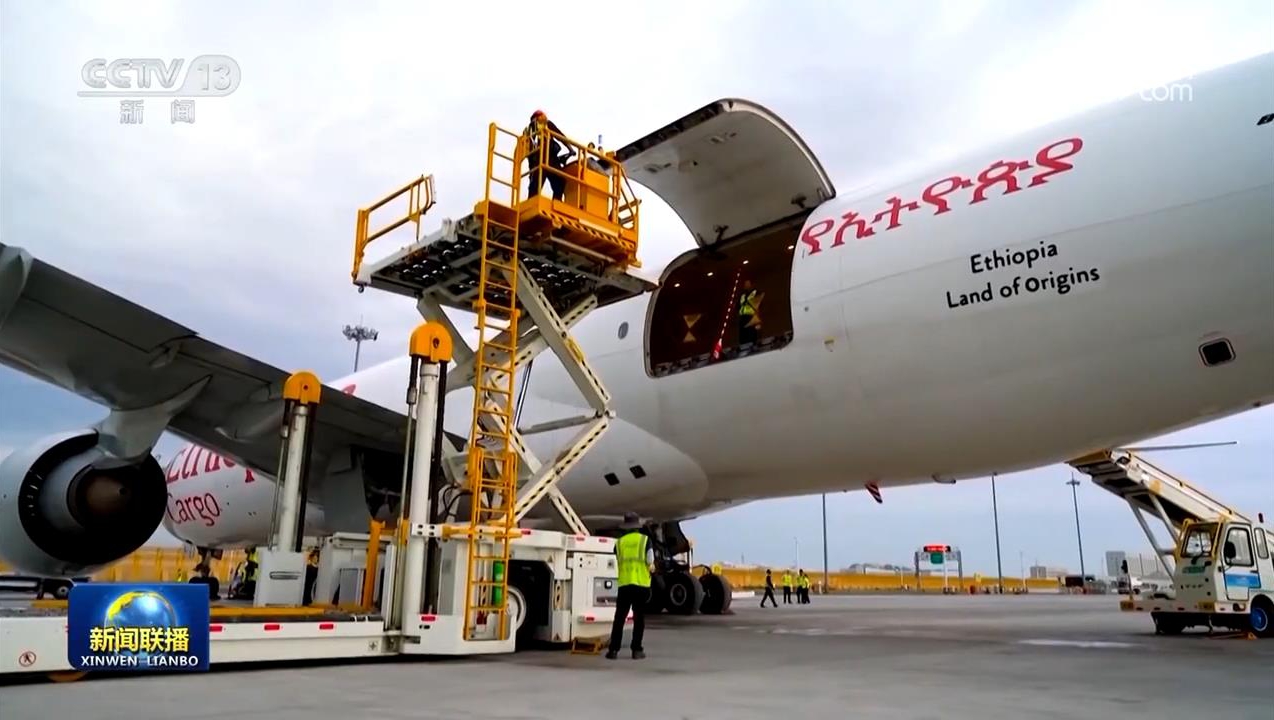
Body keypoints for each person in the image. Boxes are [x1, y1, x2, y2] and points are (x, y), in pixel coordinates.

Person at [607, 511, 651, 660]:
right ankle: (636, 650)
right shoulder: (645, 540)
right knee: (639, 619)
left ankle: (613, 650)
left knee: (620, 618)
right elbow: (650, 560)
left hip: (624, 584)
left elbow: (617, 557)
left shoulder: (619, 542)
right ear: (637, 526)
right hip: (640, 584)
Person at [524, 110, 572, 202]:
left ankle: (532, 203)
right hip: (546, 159)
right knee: (559, 182)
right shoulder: (545, 124)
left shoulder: (528, 130)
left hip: (539, 160)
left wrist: (531, 168)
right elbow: (560, 136)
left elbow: (526, 149)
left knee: (536, 186)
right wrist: (571, 149)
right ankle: (556, 203)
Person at [737, 279, 760, 346]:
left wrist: (757, 322)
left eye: (748, 284)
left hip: (751, 317)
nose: (746, 285)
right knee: (743, 337)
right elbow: (739, 306)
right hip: (743, 318)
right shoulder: (742, 295)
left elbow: (757, 307)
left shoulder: (754, 293)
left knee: (752, 336)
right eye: (745, 284)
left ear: (751, 285)